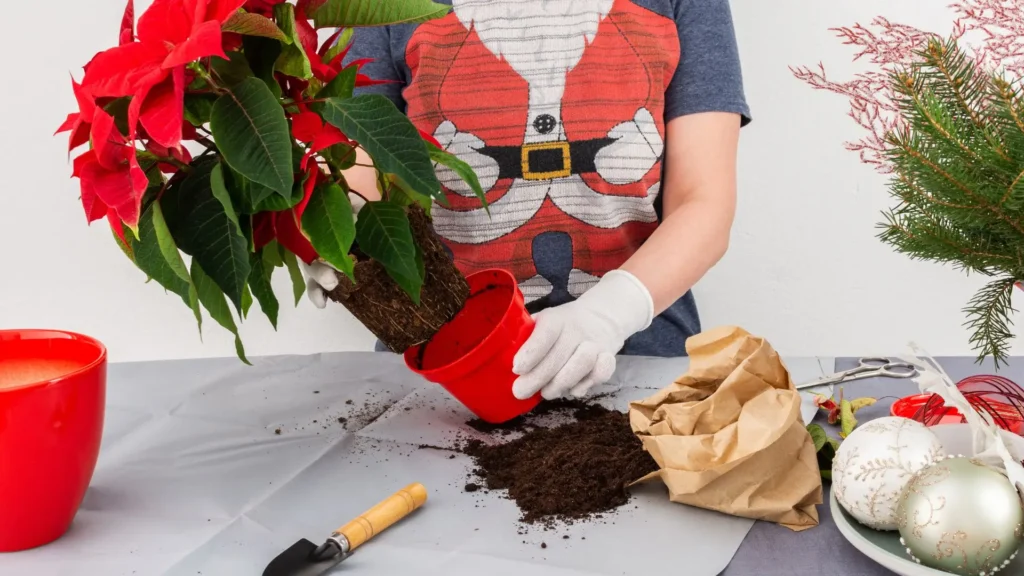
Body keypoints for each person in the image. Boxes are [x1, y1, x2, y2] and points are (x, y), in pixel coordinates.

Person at [303, 0, 750, 402]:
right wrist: (340, 226)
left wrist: (611, 313)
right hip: (442, 374)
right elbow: (358, 156)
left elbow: (703, 202)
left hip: (641, 370)